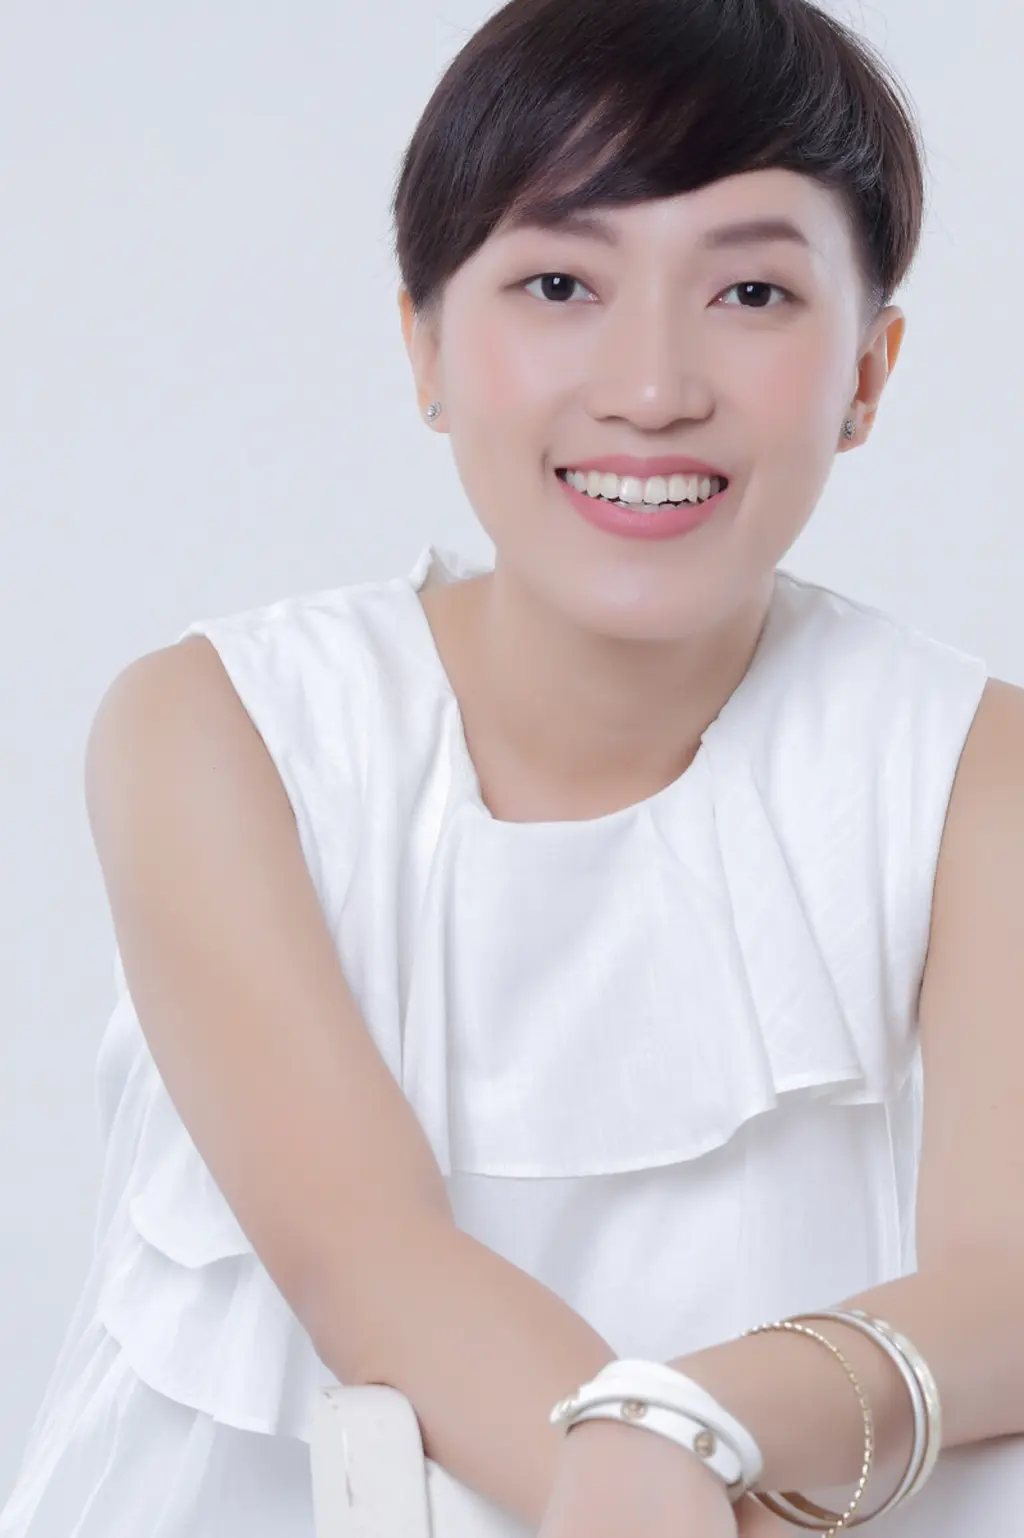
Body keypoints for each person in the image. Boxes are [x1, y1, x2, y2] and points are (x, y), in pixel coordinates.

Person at [4, 0, 1024, 1534]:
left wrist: (696, 1418)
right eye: (560, 283)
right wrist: (655, 1473)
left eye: (751, 290)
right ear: (422, 342)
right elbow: (368, 1259)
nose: (653, 385)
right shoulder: (220, 728)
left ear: (869, 373)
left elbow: (1006, 1284)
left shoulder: (971, 770)